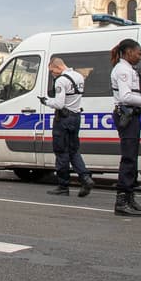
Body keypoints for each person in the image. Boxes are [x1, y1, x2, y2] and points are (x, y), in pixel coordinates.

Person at [110, 38, 141, 217]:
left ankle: (130, 198)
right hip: (126, 115)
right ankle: (122, 201)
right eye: (138, 53)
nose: (139, 56)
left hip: (132, 115)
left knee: (132, 158)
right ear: (129, 52)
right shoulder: (123, 70)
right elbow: (125, 96)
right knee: (128, 158)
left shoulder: (129, 69)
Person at [39, 56, 93, 197]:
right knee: (74, 151)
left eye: (52, 71)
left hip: (63, 119)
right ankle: (85, 178)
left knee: (61, 151)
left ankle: (63, 186)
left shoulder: (61, 80)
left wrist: (46, 101)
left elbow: (59, 104)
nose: (52, 74)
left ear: (57, 67)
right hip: (76, 117)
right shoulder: (79, 76)